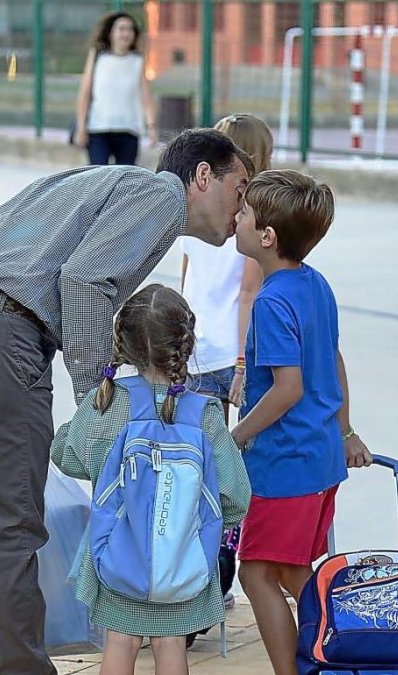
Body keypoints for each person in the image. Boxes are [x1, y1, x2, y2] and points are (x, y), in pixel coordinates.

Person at [0, 128, 252, 675]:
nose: (243, 207)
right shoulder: (161, 196)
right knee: (8, 525)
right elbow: (86, 281)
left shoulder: (108, 181)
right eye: (241, 187)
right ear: (202, 177)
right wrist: (101, 401)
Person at [50, 283, 252, 675]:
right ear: (186, 344)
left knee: (120, 641)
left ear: (122, 345)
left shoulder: (106, 402)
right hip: (183, 557)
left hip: (115, 551)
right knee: (172, 643)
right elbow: (235, 495)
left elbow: (67, 457)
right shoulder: (205, 414)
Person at [228, 169, 374, 675]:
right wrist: (345, 429)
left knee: (255, 575)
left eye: (244, 212)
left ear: (266, 237)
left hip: (283, 463)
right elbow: (332, 360)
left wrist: (236, 436)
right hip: (319, 460)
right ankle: (349, 645)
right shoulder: (315, 284)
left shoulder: (270, 301)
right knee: (293, 573)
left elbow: (287, 389)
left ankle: (323, 658)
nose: (237, 216)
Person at [179, 113, 271, 639]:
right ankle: (214, 582)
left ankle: (188, 581)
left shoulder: (193, 210)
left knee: (189, 466)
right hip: (222, 355)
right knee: (222, 472)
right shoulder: (253, 221)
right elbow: (248, 295)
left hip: (190, 350)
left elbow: (187, 279)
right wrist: (243, 363)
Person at [73, 11, 157, 166]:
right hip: (98, 128)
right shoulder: (98, 57)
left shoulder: (137, 61)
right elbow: (85, 93)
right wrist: (81, 126)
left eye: (130, 29)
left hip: (128, 129)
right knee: (99, 176)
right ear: (111, 33)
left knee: (125, 178)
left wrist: (151, 127)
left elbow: (146, 97)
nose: (126, 34)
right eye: (121, 29)